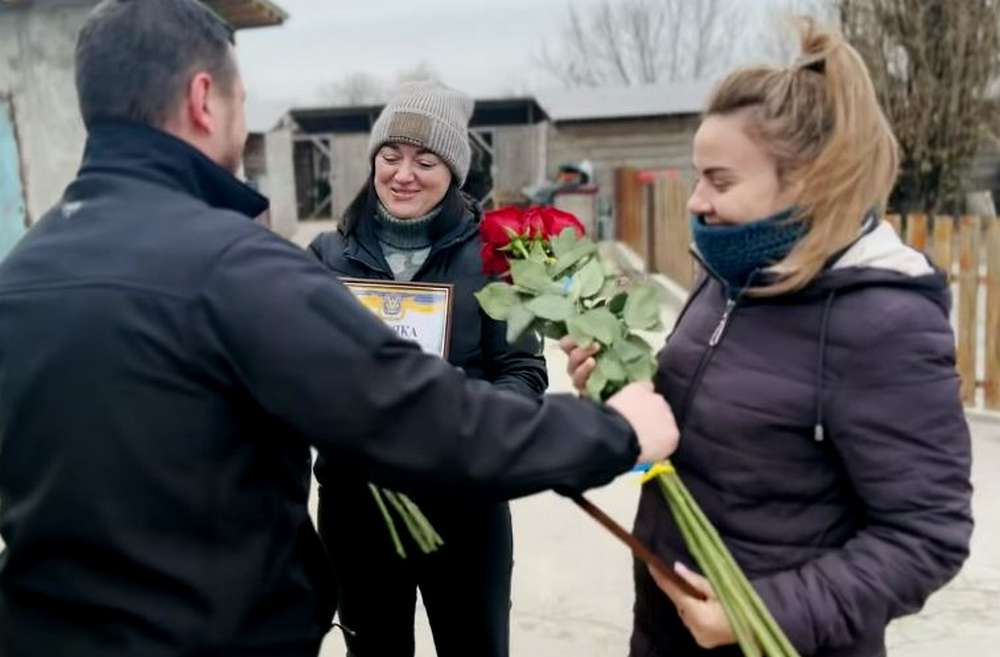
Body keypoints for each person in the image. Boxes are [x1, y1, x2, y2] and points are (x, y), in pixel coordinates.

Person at [0, 2, 680, 657]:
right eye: (243, 100)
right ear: (206, 99)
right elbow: (409, 409)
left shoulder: (18, 275)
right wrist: (614, 432)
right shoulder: (238, 267)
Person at [562, 18, 973, 657]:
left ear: (807, 183)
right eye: (696, 176)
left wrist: (760, 614)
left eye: (720, 181)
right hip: (668, 626)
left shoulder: (884, 322)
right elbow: (705, 435)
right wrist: (619, 395)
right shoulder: (731, 273)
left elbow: (927, 534)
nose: (696, 201)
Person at [308, 81, 539, 657]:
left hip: (464, 508)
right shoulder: (325, 258)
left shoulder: (493, 259)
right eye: (391, 156)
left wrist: (458, 410)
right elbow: (291, 372)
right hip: (357, 513)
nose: (403, 173)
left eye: (424, 159)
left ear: (453, 171)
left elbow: (524, 376)